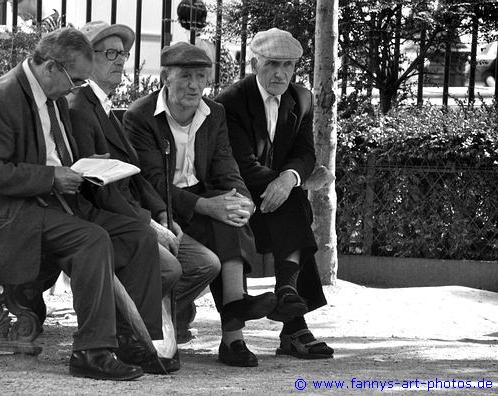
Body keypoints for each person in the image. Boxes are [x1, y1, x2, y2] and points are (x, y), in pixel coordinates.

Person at [0, 27, 164, 381]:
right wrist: (51, 178)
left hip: (59, 205)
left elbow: (56, 154)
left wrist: (90, 165)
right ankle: (91, 351)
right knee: (91, 238)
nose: (77, 88)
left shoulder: (52, 94)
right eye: (77, 80)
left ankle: (136, 342)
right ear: (52, 67)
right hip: (15, 217)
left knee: (138, 234)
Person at [67, 20, 220, 361]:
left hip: (138, 214)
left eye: (123, 53)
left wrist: (162, 213)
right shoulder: (79, 108)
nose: (120, 60)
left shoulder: (103, 105)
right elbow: (96, 188)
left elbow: (135, 176)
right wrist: (149, 225)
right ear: (85, 59)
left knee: (206, 263)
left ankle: (157, 317)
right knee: (170, 268)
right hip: (109, 221)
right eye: (109, 53)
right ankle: (133, 332)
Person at [124, 42, 277, 368]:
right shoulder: (141, 117)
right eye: (185, 76)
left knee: (230, 214)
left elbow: (226, 165)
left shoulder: (214, 113)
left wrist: (242, 200)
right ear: (165, 76)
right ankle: (230, 327)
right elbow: (152, 182)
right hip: (161, 206)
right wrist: (209, 207)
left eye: (201, 76)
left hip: (198, 197)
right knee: (218, 213)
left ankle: (233, 330)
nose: (194, 85)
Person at [215, 28, 334, 359]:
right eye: (271, 64)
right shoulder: (231, 102)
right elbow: (240, 162)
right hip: (238, 195)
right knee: (292, 201)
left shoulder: (302, 98)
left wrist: (290, 179)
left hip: (279, 203)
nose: (280, 73)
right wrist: (286, 184)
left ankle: (287, 295)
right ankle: (294, 324)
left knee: (292, 201)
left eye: (288, 65)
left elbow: (305, 153)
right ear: (255, 63)